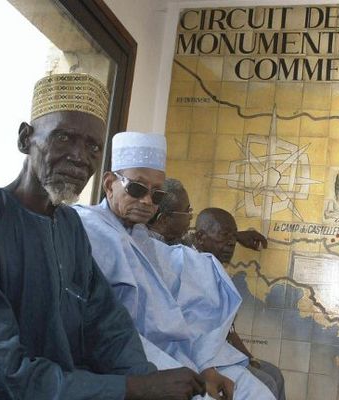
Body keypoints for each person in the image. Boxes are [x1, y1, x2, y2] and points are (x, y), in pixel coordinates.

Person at [0, 73, 205, 400]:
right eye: (63, 138)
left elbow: (107, 327)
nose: (79, 157)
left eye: (93, 146)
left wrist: (148, 380)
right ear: (24, 139)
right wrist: (134, 388)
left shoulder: (70, 226)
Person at [75, 132, 275, 400]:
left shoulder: (142, 239)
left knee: (256, 393)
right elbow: (106, 330)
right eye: (137, 188)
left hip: (177, 353)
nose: (147, 201)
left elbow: (178, 307)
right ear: (110, 184)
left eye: (156, 194)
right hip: (131, 362)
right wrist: (181, 371)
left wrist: (204, 367)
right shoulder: (88, 230)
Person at [192, 208, 286, 400]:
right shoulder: (189, 266)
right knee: (266, 382)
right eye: (224, 236)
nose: (231, 244)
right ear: (200, 237)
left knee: (274, 374)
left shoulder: (214, 266)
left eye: (233, 238)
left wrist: (250, 357)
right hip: (200, 358)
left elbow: (229, 329)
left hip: (222, 354)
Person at [148, 178, 268, 250]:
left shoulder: (174, 239)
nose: (190, 216)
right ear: (164, 220)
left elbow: (197, 238)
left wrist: (234, 235)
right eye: (186, 211)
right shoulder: (149, 249)